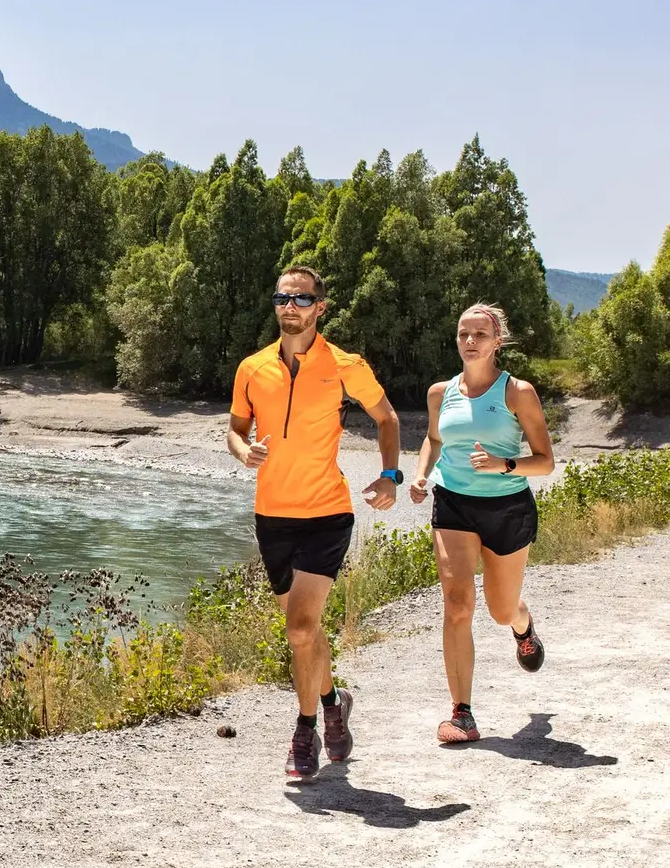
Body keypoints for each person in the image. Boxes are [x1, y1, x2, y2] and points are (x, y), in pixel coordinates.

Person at [229, 266, 402, 781]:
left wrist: (390, 475)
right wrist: (243, 452)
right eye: (282, 297)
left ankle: (306, 730)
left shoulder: (345, 365)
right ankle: (332, 701)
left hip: (327, 513)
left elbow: (387, 417)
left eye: (301, 299)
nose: (290, 306)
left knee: (300, 628)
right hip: (273, 516)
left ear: (320, 308)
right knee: (306, 634)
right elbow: (236, 429)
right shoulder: (252, 368)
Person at [408, 303, 551, 743]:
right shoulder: (439, 393)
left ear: (497, 341)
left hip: (507, 509)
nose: (470, 342)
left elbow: (544, 462)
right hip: (453, 505)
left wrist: (501, 465)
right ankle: (462, 714)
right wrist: (420, 474)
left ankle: (522, 625)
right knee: (456, 604)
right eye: (463, 334)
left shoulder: (517, 393)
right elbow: (434, 440)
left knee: (500, 609)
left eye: (480, 335)